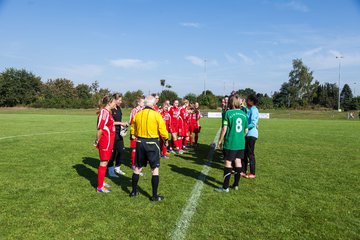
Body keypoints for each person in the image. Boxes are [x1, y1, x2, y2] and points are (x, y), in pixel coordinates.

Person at [130, 95, 169, 201]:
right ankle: (154, 196)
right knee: (154, 169)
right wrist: (166, 138)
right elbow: (162, 129)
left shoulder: (138, 114)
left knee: (137, 168)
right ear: (153, 104)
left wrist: (134, 134)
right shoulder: (156, 115)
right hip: (152, 143)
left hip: (140, 142)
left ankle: (133, 191)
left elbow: (133, 127)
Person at [216, 94, 248, 192]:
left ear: (231, 102)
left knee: (228, 163)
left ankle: (225, 187)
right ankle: (236, 185)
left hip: (230, 143)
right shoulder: (244, 114)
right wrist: (240, 137)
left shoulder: (228, 113)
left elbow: (224, 129)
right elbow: (246, 130)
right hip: (241, 143)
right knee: (238, 162)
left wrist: (220, 141)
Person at [95, 95, 117, 193]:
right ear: (109, 102)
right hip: (105, 142)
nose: (115, 103)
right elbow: (100, 128)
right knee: (103, 162)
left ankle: (101, 182)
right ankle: (99, 187)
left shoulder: (108, 112)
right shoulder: (104, 112)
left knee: (106, 162)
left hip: (109, 141)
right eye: (114, 102)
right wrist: (97, 140)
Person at [108, 94, 128, 177]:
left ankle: (117, 168)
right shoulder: (111, 110)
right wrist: (121, 123)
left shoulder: (119, 109)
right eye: (119, 100)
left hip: (119, 133)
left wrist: (124, 125)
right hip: (112, 133)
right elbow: (110, 122)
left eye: (121, 100)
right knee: (112, 152)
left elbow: (119, 120)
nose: (121, 102)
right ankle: (110, 170)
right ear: (114, 100)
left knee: (122, 151)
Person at [241, 94, 259, 179]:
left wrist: (246, 127)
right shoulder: (251, 109)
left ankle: (252, 173)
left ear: (251, 101)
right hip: (248, 135)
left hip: (252, 135)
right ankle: (243, 171)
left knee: (250, 154)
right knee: (244, 153)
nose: (246, 102)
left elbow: (253, 123)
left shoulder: (254, 110)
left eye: (248, 100)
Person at [129, 97, 145, 169]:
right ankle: (133, 164)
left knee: (141, 148)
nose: (144, 103)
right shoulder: (134, 110)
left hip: (142, 132)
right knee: (134, 148)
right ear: (138, 103)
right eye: (142, 102)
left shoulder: (144, 110)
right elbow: (131, 122)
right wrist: (132, 134)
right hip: (135, 132)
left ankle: (138, 163)